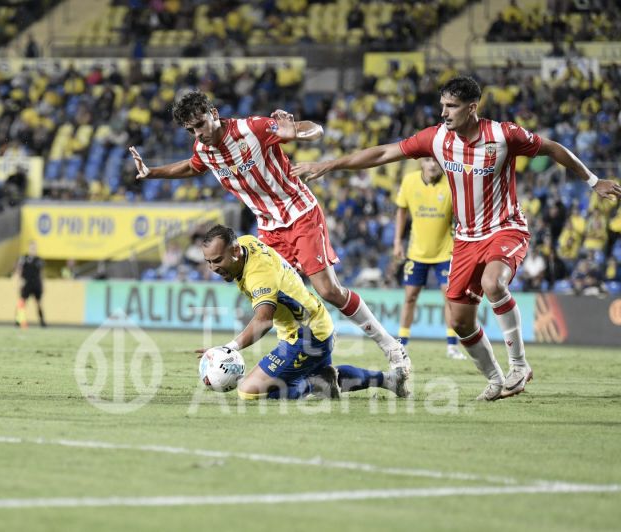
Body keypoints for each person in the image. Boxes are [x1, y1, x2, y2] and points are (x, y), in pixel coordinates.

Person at [293, 76, 621, 401]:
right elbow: (383, 154)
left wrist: (593, 181)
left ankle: (519, 365)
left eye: (452, 106)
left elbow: (553, 148)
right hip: (465, 239)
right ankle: (496, 379)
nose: (444, 113)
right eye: (442, 106)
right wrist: (329, 165)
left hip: (505, 227)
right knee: (459, 321)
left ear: (472, 107)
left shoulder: (504, 134)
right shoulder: (437, 139)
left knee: (494, 283)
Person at [129, 90, 410, 377]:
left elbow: (315, 129)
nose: (198, 134)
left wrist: (297, 132)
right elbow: (192, 166)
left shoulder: (252, 128)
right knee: (274, 299)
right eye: (190, 130)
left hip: (299, 212)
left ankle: (391, 347)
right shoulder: (204, 151)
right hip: (269, 227)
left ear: (213, 114)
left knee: (328, 290)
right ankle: (310, 362)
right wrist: (153, 172)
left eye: (200, 124)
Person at [197, 224, 408, 400]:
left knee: (249, 392)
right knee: (322, 373)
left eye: (217, 260)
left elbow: (263, 321)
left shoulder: (259, 274)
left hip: (305, 335)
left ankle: (315, 384)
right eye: (209, 261)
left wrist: (228, 349)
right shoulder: (244, 243)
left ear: (234, 252)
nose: (213, 268)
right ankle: (389, 380)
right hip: (315, 323)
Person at [393, 157, 466, 360]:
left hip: (446, 251)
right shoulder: (409, 181)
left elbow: (462, 216)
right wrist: (397, 242)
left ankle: (452, 345)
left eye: (436, 161)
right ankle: (402, 344)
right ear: (421, 164)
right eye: (427, 160)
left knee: (449, 297)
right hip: (416, 252)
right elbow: (401, 211)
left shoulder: (452, 184)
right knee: (410, 297)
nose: (433, 165)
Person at [15, 241, 46, 328]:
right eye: (32, 247)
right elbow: (19, 270)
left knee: (38, 303)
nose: (33, 249)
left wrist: (43, 284)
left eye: (34, 248)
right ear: (29, 248)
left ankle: (42, 321)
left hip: (36, 283)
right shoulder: (23, 258)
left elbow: (41, 273)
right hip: (26, 283)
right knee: (22, 302)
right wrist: (19, 281)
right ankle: (18, 320)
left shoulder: (39, 260)